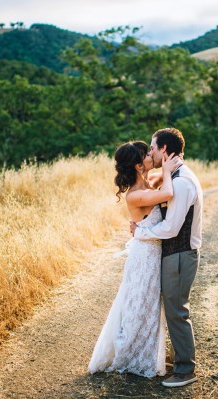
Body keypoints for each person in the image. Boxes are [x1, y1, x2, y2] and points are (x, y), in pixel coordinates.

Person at [88, 140, 182, 377]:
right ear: (139, 166)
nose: (152, 154)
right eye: (147, 154)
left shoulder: (148, 184)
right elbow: (168, 192)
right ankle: (130, 354)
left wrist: (167, 168)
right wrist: (167, 172)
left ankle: (146, 352)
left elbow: (161, 185)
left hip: (150, 252)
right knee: (140, 304)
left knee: (147, 304)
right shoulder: (136, 195)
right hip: (144, 257)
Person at [130, 127, 203, 388]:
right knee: (173, 309)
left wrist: (141, 232)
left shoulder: (181, 181)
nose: (150, 152)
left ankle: (185, 370)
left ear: (164, 149)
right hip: (175, 254)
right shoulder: (177, 175)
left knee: (177, 311)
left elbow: (171, 228)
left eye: (152, 147)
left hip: (181, 255)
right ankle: (180, 360)